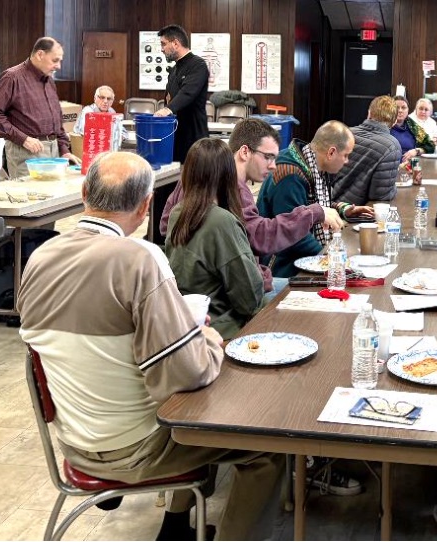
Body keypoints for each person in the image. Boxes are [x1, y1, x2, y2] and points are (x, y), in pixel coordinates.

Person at [17, 151, 283, 541]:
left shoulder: (40, 258)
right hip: (134, 446)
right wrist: (207, 339)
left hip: (72, 440)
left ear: (84, 191)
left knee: (195, 407)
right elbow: (184, 373)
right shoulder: (140, 260)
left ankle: (175, 526)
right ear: (144, 207)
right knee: (264, 447)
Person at [160, 118, 344, 298]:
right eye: (268, 157)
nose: (273, 166)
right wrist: (314, 213)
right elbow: (260, 237)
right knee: (314, 294)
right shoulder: (233, 187)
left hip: (192, 291)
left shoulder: (196, 178)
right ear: (245, 152)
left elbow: (165, 225)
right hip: (223, 296)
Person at [164, 138, 265, 340]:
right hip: (223, 327)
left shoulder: (177, 213)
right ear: (228, 175)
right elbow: (249, 300)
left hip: (185, 322)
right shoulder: (222, 221)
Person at [256, 120, 374, 278]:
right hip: (281, 268)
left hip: (298, 258)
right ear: (331, 152)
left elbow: (311, 205)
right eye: (346, 155)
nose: (347, 161)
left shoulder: (310, 162)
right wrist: (329, 257)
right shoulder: (290, 175)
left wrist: (342, 210)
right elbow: (293, 232)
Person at [0, 37, 81, 178]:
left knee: (54, 197)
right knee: (32, 198)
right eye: (55, 60)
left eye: (60, 61)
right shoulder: (12, 77)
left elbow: (56, 121)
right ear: (40, 54)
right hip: (26, 152)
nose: (59, 66)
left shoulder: (49, 81)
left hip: (54, 152)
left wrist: (64, 149)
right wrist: (23, 139)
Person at [332, 95, 402, 205]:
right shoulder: (392, 146)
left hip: (328, 208)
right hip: (355, 214)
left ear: (369, 113)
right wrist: (393, 188)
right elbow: (380, 196)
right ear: (394, 122)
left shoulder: (345, 133)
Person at [154, 24, 209, 162]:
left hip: (194, 140)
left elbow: (187, 93)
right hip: (175, 137)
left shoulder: (198, 65)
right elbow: (169, 98)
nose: (161, 49)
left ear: (176, 43)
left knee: (193, 182)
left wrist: (168, 109)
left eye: (163, 44)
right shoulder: (173, 70)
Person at [390, 95, 435, 163]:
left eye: (403, 107)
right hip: (390, 167)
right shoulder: (385, 125)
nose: (400, 110)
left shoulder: (411, 125)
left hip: (409, 166)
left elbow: (430, 145)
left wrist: (416, 151)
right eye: (396, 107)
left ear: (408, 110)